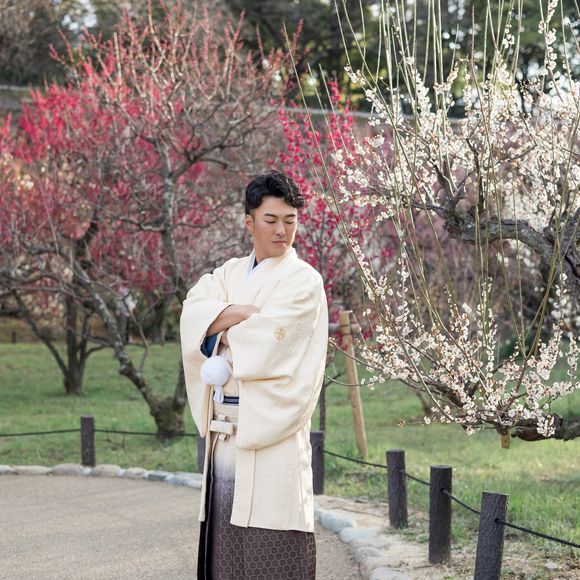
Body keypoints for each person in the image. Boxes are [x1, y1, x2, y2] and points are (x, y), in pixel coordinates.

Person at [180, 170, 329, 580]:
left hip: (271, 428)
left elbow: (268, 345)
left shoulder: (304, 281)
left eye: (290, 220)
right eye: (271, 220)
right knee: (225, 554)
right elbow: (192, 312)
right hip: (224, 432)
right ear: (249, 222)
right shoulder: (228, 273)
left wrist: (217, 327)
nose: (282, 230)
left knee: (272, 544)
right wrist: (242, 315)